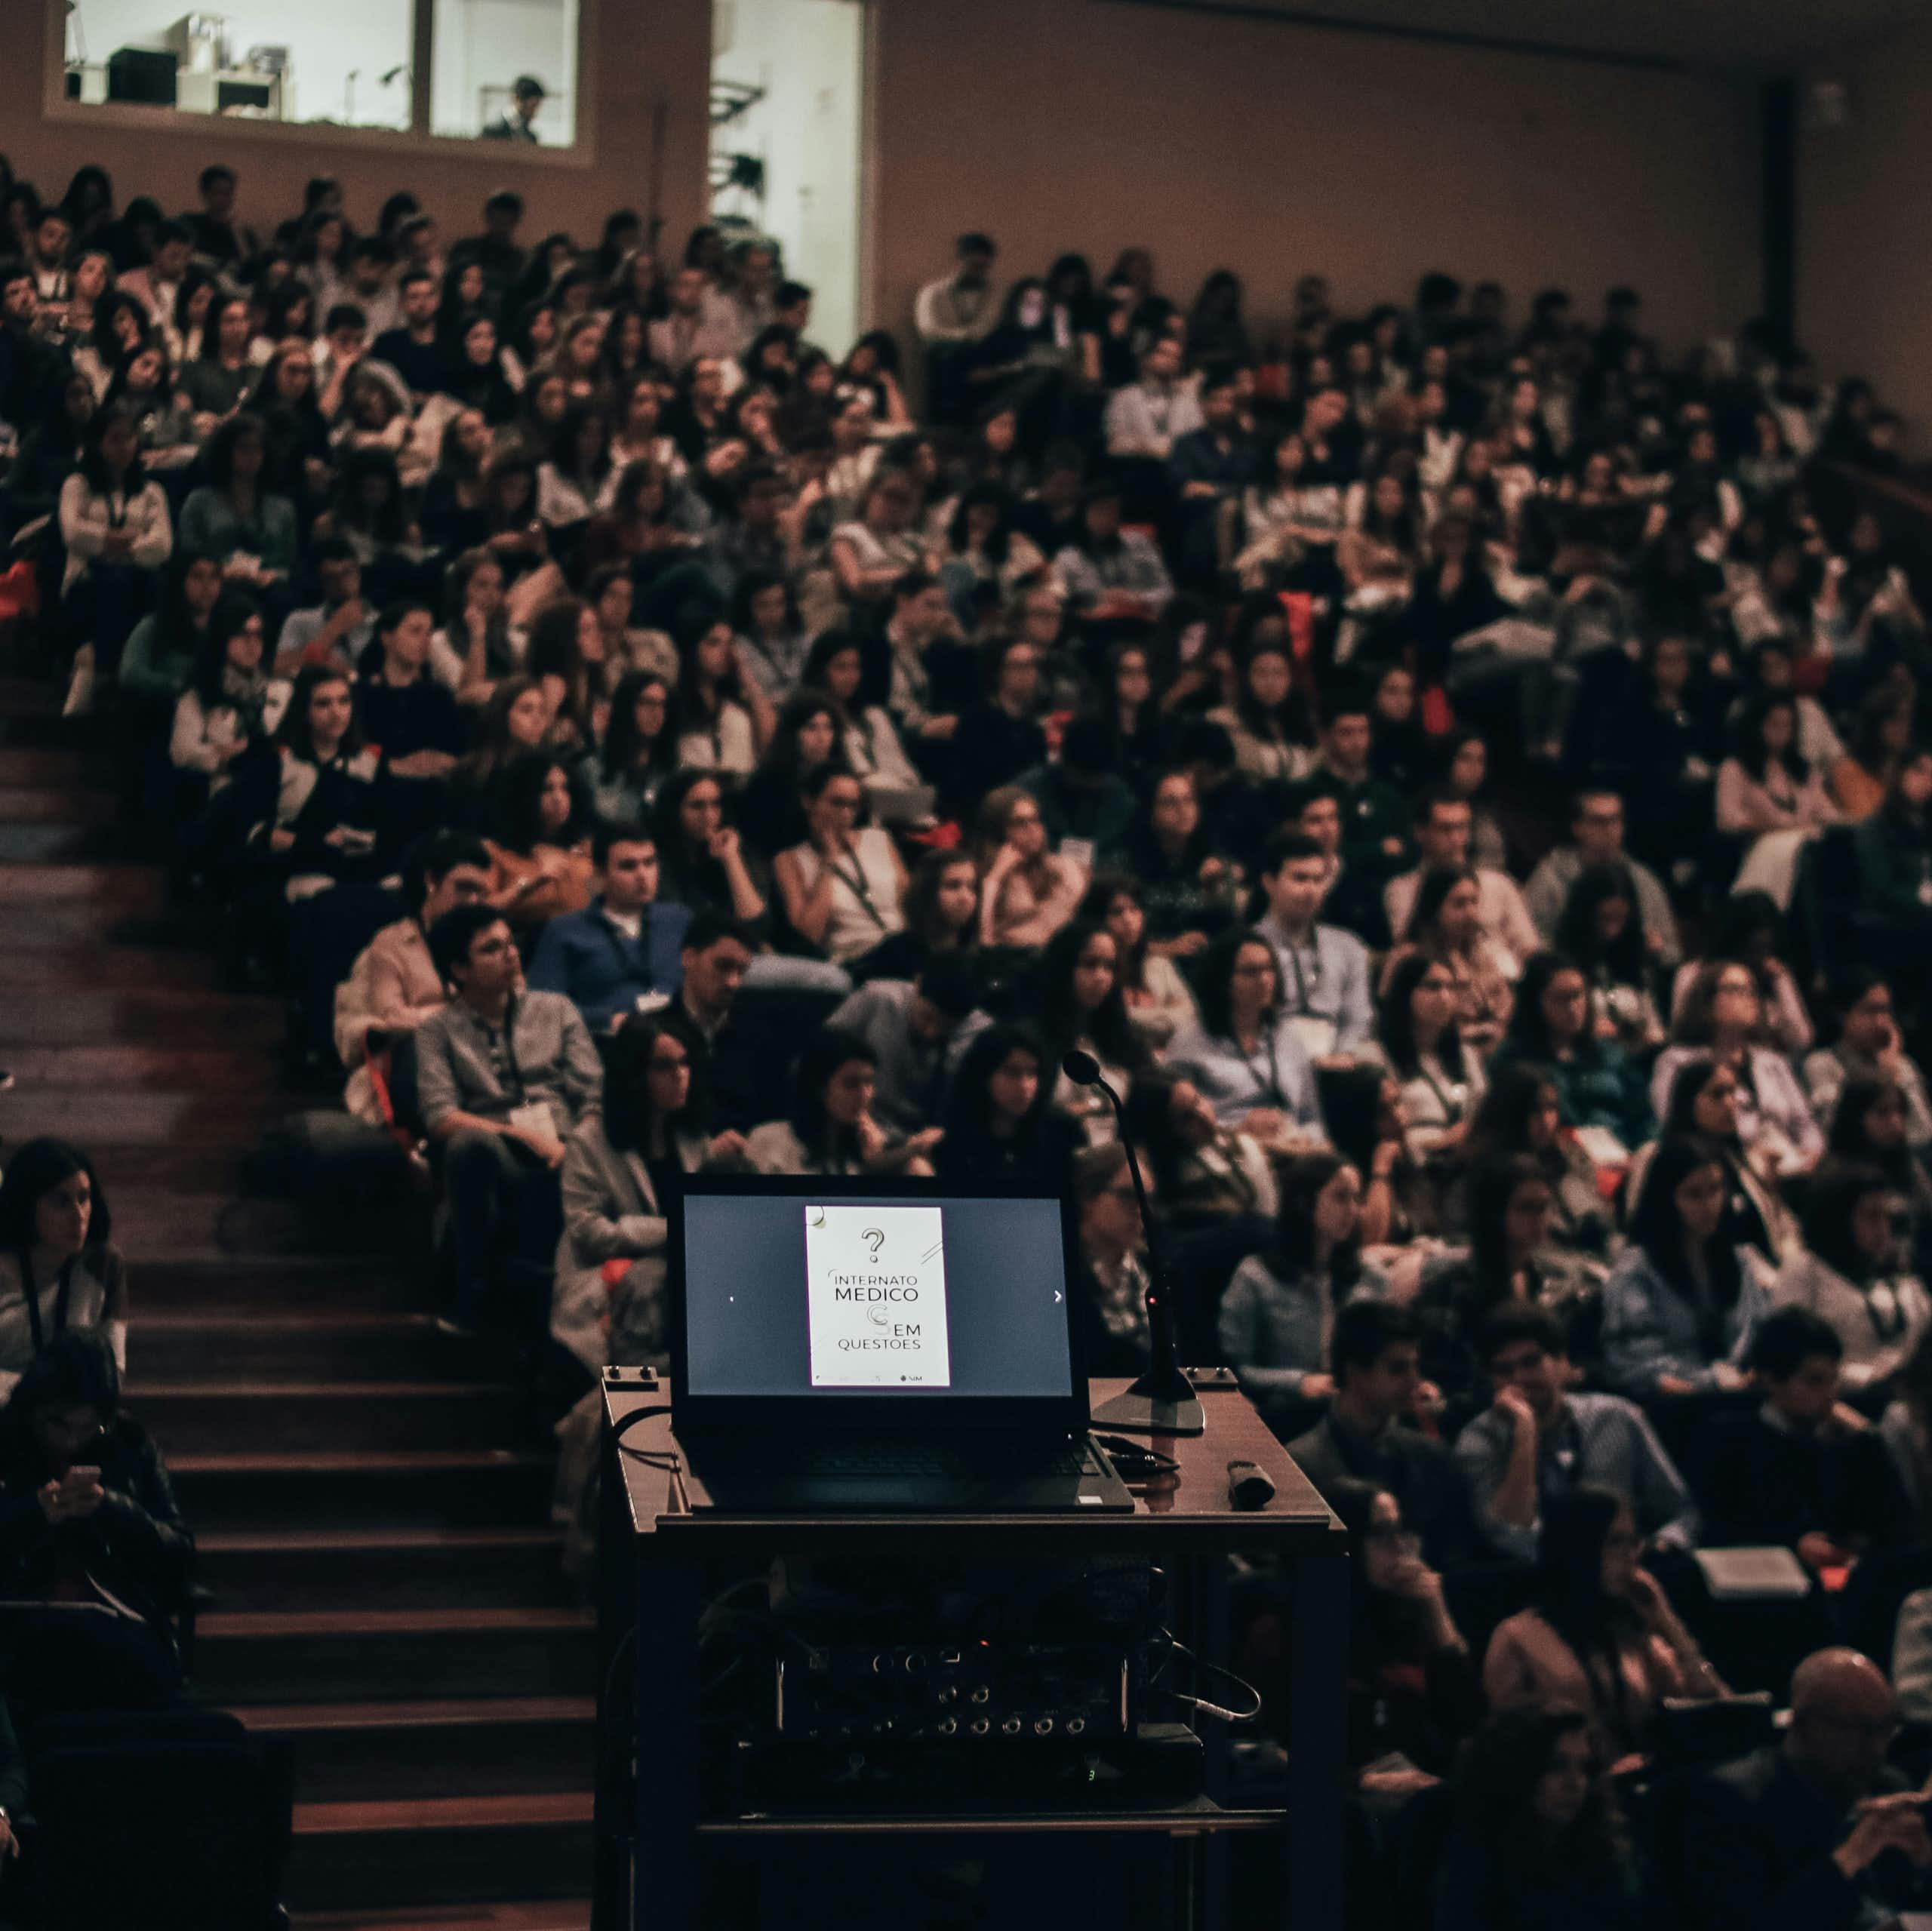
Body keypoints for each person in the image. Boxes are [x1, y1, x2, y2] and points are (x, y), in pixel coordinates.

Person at [414, 906, 604, 1340]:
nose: (510, 955)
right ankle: (473, 1297)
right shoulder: (437, 1031)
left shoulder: (556, 1009)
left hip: (572, 1146)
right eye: (491, 949)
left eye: (510, 943)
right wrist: (530, 1140)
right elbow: (441, 1116)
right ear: (459, 970)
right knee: (467, 1146)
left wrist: (578, 1147)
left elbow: (594, 1093)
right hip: (502, 1152)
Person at [0, 1330, 193, 1721]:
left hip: (115, 1616)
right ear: (36, 1408)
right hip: (21, 1618)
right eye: (57, 1424)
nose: (70, 1441)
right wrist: (32, 1515)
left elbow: (180, 1552)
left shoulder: (130, 1446)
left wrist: (114, 1509)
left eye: (87, 1428)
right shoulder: (7, 1441)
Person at [1679, 1648, 1932, 1931]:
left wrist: (1924, 1861)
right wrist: (1849, 1859)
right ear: (1802, 1724)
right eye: (1858, 1729)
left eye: (1885, 1728)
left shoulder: (1887, 1785)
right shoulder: (1732, 1801)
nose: (1875, 1748)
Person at [552, 1018, 746, 1384]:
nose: (680, 1075)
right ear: (634, 1074)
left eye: (685, 1063)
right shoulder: (589, 1141)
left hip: (679, 1283)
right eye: (664, 1066)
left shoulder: (693, 1138)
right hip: (604, 1283)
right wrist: (672, 1230)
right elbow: (589, 1233)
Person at [1481, 1485, 1723, 1760]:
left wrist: (1668, 1622)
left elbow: (1714, 1708)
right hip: (1566, 1790)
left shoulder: (1633, 1635)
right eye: (1615, 1543)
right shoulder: (1518, 1637)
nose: (1630, 1556)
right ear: (1579, 1547)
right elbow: (1505, 1749)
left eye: (1633, 1543)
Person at [1454, 1305, 1700, 1562]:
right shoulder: (1478, 1440)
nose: (1520, 1378)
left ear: (1562, 1363)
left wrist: (1661, 1547)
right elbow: (1510, 1533)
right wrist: (1525, 1432)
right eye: (1504, 1371)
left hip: (1626, 1568)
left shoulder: (1618, 1417)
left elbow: (1682, 1512)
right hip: (1534, 1580)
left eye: (1531, 1362)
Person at [1702, 1307, 1905, 1566]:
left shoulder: (1849, 1443)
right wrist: (1792, 1544)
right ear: (1772, 1380)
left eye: (1834, 1380)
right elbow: (1720, 1526)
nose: (1830, 1394)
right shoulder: (1730, 1440)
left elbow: (1893, 1524)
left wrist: (1867, 1438)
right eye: (1815, 1381)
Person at [1288, 1300, 1481, 1570]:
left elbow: (1455, 1556)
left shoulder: (1432, 1456)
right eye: (1398, 1368)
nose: (1415, 1381)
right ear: (1354, 1371)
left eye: (1415, 1367)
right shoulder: (1300, 1466)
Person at [1320, 1477, 1481, 1788]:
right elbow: (1272, 1750)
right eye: (1381, 1534)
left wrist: (1437, 1611)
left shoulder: (1409, 1611)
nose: (1400, 1547)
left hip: (1423, 1787)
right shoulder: (1296, 1623)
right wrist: (1360, 1782)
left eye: (1401, 1531)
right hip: (1344, 1799)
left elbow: (1466, 1722)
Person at [1433, 1707, 1647, 1931]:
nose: (1576, 1783)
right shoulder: (1478, 1863)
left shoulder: (1603, 1847)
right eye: (1556, 1766)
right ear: (1516, 1770)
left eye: (1584, 1767)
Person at [334, 830, 492, 1127]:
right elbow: (390, 1018)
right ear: (431, 881)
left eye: (480, 893)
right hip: (411, 1071)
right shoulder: (390, 945)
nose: (472, 901)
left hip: (479, 1066)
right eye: (463, 888)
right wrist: (462, 1015)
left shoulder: (488, 941)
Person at [1218, 1152, 1387, 1430]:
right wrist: (1299, 1382)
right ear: (1304, 1203)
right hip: (1287, 1411)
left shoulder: (1371, 1278)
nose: (1353, 1210)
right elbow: (1232, 1370)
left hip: (1357, 1410)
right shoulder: (1256, 1276)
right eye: (1341, 1197)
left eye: (1357, 1198)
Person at [1600, 1135, 1768, 1399]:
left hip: (1742, 1394)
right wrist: (1705, 1386)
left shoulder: (1739, 1259)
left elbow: (1759, 1333)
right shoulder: (1636, 1270)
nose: (1709, 1205)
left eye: (1715, 1190)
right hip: (1677, 1405)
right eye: (1694, 1194)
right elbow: (1633, 1361)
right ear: (1667, 1199)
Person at [1773, 1158, 1932, 1395]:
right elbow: (1791, 1357)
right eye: (1871, 1217)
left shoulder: (1898, 1274)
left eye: (1886, 1218)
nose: (1883, 1229)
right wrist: (1869, 1379)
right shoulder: (1805, 1271)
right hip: (1840, 1401)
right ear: (1839, 1219)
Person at [1652, 959, 1823, 1177]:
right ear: (1706, 1001)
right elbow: (1671, 1124)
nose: (1749, 998)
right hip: (1719, 1169)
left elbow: (1805, 1123)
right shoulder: (1678, 1061)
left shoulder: (1773, 1061)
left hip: (1791, 1171)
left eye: (1752, 990)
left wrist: (1811, 1153)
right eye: (1736, 990)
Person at [1162, 928, 1325, 1148]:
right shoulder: (1188, 1042)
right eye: (1251, 972)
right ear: (1223, 981)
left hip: (1292, 1145)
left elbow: (1311, 1117)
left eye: (1270, 969)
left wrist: (1308, 1139)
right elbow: (1177, 1126)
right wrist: (1238, 1131)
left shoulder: (1287, 1038)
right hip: (1231, 1149)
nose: (1265, 979)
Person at [526, 822, 691, 1034]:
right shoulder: (564, 930)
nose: (643, 875)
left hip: (678, 1038)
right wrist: (604, 1020)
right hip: (606, 1043)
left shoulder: (679, 919)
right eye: (628, 866)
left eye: (649, 863)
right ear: (601, 874)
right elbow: (542, 1011)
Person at [0, 1139, 128, 1399]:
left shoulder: (102, 1263)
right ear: (27, 1205)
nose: (79, 1214)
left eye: (84, 1198)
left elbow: (112, 1370)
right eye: (61, 1202)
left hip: (74, 1420)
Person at [1490, 953, 1652, 1156]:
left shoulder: (1611, 1054)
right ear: (1536, 1002)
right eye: (1561, 999)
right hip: (1555, 1160)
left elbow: (1645, 1116)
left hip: (1622, 1156)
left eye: (1578, 995)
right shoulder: (1514, 1059)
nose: (1573, 1007)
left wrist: (1644, 1152)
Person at [744, 1028, 938, 1177]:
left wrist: (885, 1162)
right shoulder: (769, 1140)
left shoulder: (875, 1147)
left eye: (869, 1082)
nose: (865, 1094)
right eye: (851, 1083)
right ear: (819, 1088)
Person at [1249, 829, 1374, 1058]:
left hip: (1337, 1062)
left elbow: (1358, 1019)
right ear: (1269, 882)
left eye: (1318, 880)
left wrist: (1342, 1056)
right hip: (1269, 1060)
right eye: (1300, 878)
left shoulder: (1348, 946)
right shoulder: (1246, 948)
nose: (1311, 890)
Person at [1524, 786, 1681, 968]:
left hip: (1630, 978)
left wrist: (1655, 949)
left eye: (1615, 820)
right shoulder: (1549, 879)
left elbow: (1672, 952)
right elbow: (1534, 945)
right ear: (1577, 827)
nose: (1609, 830)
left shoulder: (1642, 880)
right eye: (1598, 821)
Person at [1385, 786, 1540, 970]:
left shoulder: (1498, 883)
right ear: (1420, 832)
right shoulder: (1401, 889)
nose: (1456, 838)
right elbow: (1410, 952)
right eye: (1445, 829)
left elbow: (1530, 949)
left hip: (1504, 978)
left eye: (1462, 827)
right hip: (1441, 980)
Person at [827, 954, 978, 1137]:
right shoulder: (877, 999)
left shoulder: (974, 1031)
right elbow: (819, 1057)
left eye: (947, 1027)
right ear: (917, 984)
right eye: (928, 1017)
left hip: (916, 1135)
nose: (932, 1032)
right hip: (855, 1122)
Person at [774, 765, 908, 964]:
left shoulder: (879, 839)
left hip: (899, 943)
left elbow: (912, 905)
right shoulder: (790, 859)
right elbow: (808, 936)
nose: (846, 814)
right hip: (853, 956)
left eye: (853, 806)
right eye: (837, 804)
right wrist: (828, 862)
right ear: (809, 802)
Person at [934, 1022, 1081, 1194]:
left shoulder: (1060, 1134)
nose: (1025, 1086)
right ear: (984, 1076)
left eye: (1032, 1073)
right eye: (1013, 1073)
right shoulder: (954, 1142)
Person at [1371, 950, 1484, 1157]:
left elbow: (1482, 1110)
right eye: (1433, 987)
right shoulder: (1377, 1055)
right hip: (1408, 1160)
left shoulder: (1464, 1054)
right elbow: (1378, 1130)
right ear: (1406, 993)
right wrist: (1443, 1141)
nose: (1444, 997)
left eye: (1450, 988)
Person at [660, 913, 760, 1136]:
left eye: (741, 971)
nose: (733, 982)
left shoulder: (759, 1034)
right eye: (723, 966)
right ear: (688, 957)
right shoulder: (653, 1031)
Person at [1804, 970, 1932, 1145]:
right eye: (1871, 1011)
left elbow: (1924, 1134)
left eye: (1885, 1011)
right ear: (1842, 1015)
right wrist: (1883, 1078)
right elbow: (1836, 1130)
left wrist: (1895, 1072)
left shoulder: (1901, 1064)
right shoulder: (1822, 1064)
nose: (1881, 1022)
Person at [1071, 1142, 1154, 1376]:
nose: (1141, 1209)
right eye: (1128, 1195)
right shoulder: (1063, 1275)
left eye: (1147, 1198)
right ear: (1087, 1197)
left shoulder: (1155, 1266)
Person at [976, 783, 1087, 951]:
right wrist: (995, 877)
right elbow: (981, 937)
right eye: (1020, 823)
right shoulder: (986, 877)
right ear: (998, 830)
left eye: (1035, 820)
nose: (1032, 829)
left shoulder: (1063, 867)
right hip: (1009, 961)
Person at [483, 74, 546, 143]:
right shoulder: (491, 132)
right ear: (517, 99)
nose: (534, 112)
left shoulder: (531, 138)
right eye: (533, 106)